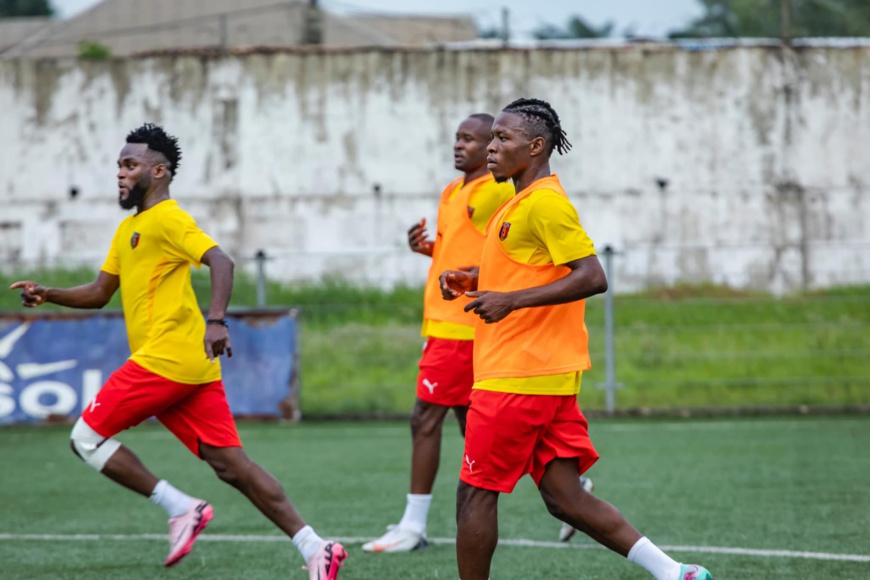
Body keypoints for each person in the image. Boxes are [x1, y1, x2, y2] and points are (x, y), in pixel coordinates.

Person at [10, 124, 346, 579]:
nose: (121, 173)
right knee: (231, 465)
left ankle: (181, 507)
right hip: (187, 365)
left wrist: (217, 320)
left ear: (159, 171)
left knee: (85, 438)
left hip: (167, 358)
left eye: (130, 165)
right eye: (119, 166)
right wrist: (48, 293)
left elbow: (220, 261)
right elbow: (98, 292)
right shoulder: (130, 228)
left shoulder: (168, 219)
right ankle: (317, 548)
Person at [439, 99, 714, 580]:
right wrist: (475, 278)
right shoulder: (518, 200)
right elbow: (529, 269)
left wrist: (510, 302)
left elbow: (592, 276)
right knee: (566, 499)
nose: (492, 148)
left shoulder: (545, 201)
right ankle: (676, 574)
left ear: (537, 146)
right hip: (547, 380)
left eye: (504, 139)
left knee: (475, 493)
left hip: (515, 379)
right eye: (494, 137)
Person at [362, 114, 515, 553]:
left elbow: (506, 256)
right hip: (442, 323)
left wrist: (476, 277)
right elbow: (458, 249)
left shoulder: (492, 191)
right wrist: (429, 249)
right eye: (458, 138)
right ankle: (569, 484)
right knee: (476, 431)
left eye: (471, 139)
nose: (459, 145)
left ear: (491, 147)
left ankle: (412, 526)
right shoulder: (453, 190)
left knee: (424, 418)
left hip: (461, 326)